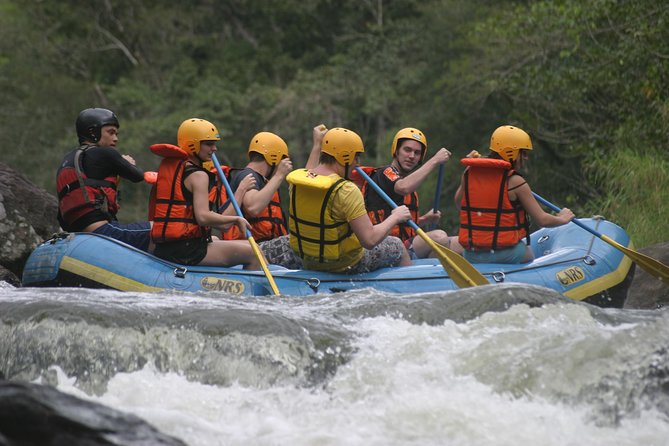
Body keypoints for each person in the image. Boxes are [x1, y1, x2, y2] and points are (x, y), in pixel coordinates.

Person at [261, 125, 413, 273]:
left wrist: (317, 144)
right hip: (343, 264)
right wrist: (395, 217)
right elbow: (370, 240)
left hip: (306, 257)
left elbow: (309, 172)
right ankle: (411, 283)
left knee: (266, 247)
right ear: (344, 156)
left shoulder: (297, 182)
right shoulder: (346, 190)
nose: (357, 163)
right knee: (396, 244)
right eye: (356, 157)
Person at [149, 118, 260, 269]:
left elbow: (212, 222)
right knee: (253, 253)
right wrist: (236, 219)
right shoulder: (199, 176)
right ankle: (247, 291)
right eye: (208, 144)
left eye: (214, 144)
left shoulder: (179, 166)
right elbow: (202, 217)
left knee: (222, 239)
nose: (214, 149)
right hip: (186, 250)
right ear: (192, 144)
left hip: (168, 246)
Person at [455, 125, 575, 264]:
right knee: (529, 254)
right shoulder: (515, 181)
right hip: (504, 253)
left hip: (471, 255)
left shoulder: (470, 172)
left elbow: (459, 204)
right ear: (510, 153)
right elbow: (542, 220)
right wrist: (563, 218)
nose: (526, 158)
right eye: (523, 153)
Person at [56, 108, 152, 251]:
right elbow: (137, 176)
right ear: (93, 132)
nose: (116, 138)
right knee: (164, 228)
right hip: (101, 232)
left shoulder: (68, 160)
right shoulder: (104, 153)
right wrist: (127, 162)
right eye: (111, 132)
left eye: (116, 134)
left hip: (78, 234)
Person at [362, 127, 463, 258]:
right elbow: (403, 187)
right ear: (396, 150)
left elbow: (401, 226)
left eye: (417, 153)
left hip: (406, 245)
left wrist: (424, 220)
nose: (411, 156)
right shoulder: (384, 173)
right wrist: (435, 160)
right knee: (439, 237)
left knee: (463, 243)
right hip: (386, 248)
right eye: (407, 150)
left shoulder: (407, 181)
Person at [224, 132, 292, 242]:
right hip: (253, 246)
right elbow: (253, 208)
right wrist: (279, 175)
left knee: (296, 244)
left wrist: (317, 145)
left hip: (266, 243)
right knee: (293, 245)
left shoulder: (261, 179)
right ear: (273, 158)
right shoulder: (248, 176)